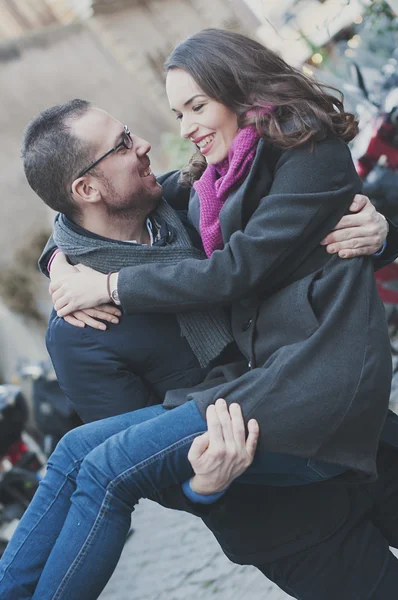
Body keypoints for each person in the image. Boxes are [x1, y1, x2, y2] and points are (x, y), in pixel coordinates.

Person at [1, 28, 398, 597]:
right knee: (83, 457)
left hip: (350, 431)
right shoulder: (79, 332)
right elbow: (154, 471)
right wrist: (204, 487)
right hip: (288, 519)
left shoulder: (192, 205)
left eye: (134, 132)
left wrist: (380, 233)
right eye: (122, 144)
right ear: (86, 187)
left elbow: (286, 239)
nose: (145, 145)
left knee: (91, 464)